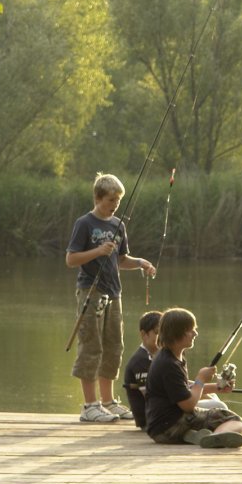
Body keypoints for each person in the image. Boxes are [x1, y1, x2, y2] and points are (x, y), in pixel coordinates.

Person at [66, 172, 156, 422]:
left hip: (114, 293)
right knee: (91, 346)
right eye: (111, 200)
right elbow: (71, 259)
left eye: (118, 200)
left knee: (114, 346)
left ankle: (108, 402)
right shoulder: (84, 223)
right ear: (98, 197)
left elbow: (121, 259)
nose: (115, 204)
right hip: (90, 292)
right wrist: (97, 251)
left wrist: (140, 263)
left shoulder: (119, 225)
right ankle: (89, 406)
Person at [145, 307, 242, 448]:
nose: (195, 333)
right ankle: (215, 437)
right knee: (237, 421)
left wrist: (217, 388)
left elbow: (182, 391)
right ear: (177, 333)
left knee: (225, 417)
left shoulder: (172, 356)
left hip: (162, 427)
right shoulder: (169, 364)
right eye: (191, 330)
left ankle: (193, 434)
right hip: (169, 427)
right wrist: (200, 378)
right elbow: (188, 405)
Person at [124, 310, 229, 431]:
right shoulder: (142, 361)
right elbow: (156, 396)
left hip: (168, 410)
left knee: (212, 396)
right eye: (159, 332)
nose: (163, 336)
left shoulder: (167, 357)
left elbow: (180, 385)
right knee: (218, 406)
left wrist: (217, 387)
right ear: (144, 334)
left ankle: (214, 429)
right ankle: (218, 430)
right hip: (154, 418)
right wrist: (200, 381)